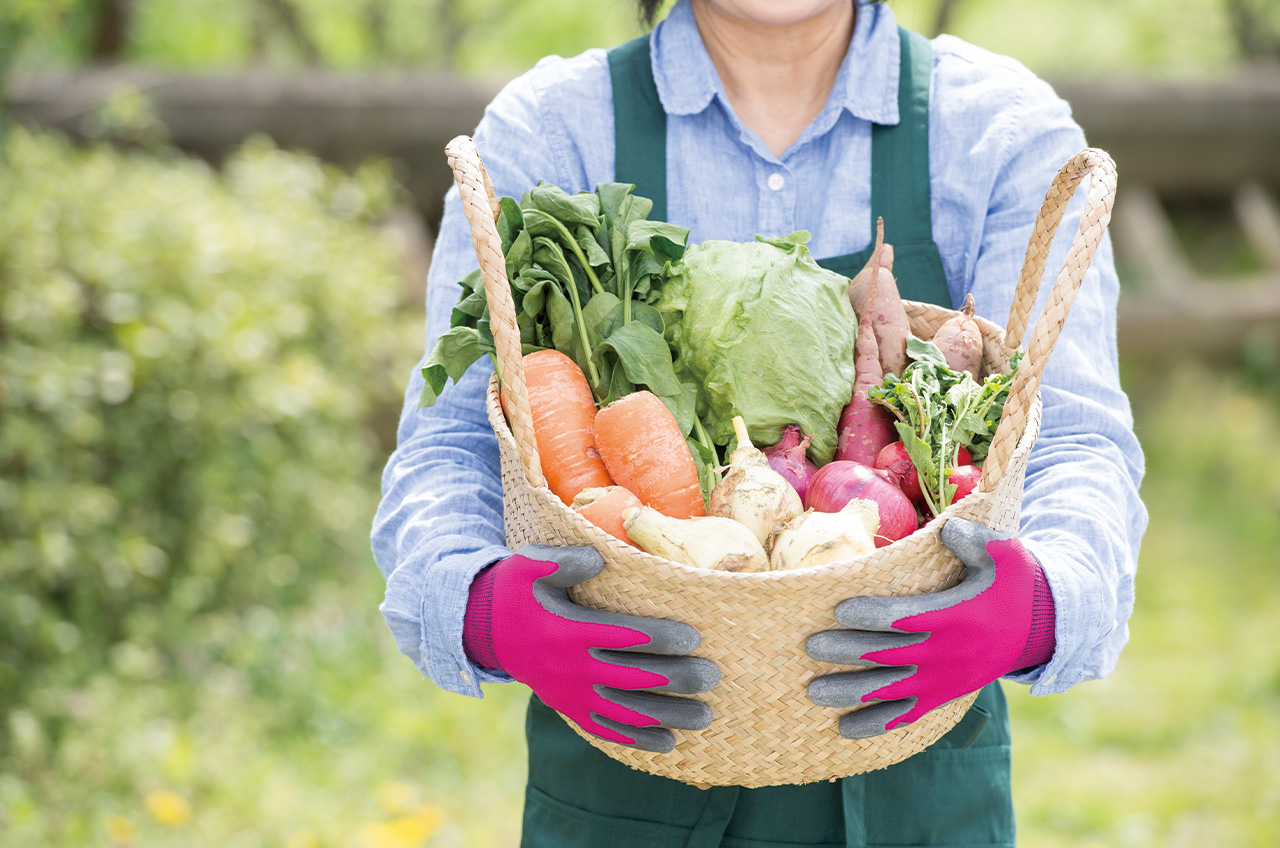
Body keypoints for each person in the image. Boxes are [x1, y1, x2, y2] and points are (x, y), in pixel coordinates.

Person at [371, 0, 1148, 845]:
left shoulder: (995, 128)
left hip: (916, 792)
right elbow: (450, 447)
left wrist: (1037, 605)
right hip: (626, 780)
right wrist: (483, 608)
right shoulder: (555, 130)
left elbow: (1072, 438)